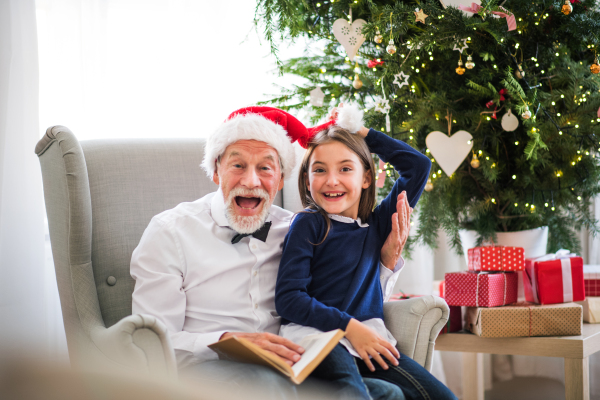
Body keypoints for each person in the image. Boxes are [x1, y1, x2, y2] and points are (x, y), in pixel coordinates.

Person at [130, 105, 410, 399]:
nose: (251, 181)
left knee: (388, 394)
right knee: (270, 387)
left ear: (279, 180)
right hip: (206, 371)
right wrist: (226, 339)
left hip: (293, 366)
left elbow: (344, 296)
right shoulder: (170, 232)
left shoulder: (296, 229)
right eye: (238, 165)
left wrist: (386, 263)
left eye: (265, 168)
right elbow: (151, 340)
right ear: (216, 171)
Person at [275, 110, 457, 400]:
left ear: (367, 178)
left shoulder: (379, 223)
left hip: (369, 340)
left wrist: (363, 133)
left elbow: (418, 166)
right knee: (356, 392)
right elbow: (288, 299)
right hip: (321, 338)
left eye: (345, 169)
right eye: (319, 170)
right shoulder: (309, 224)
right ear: (307, 179)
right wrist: (349, 327)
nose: (331, 180)